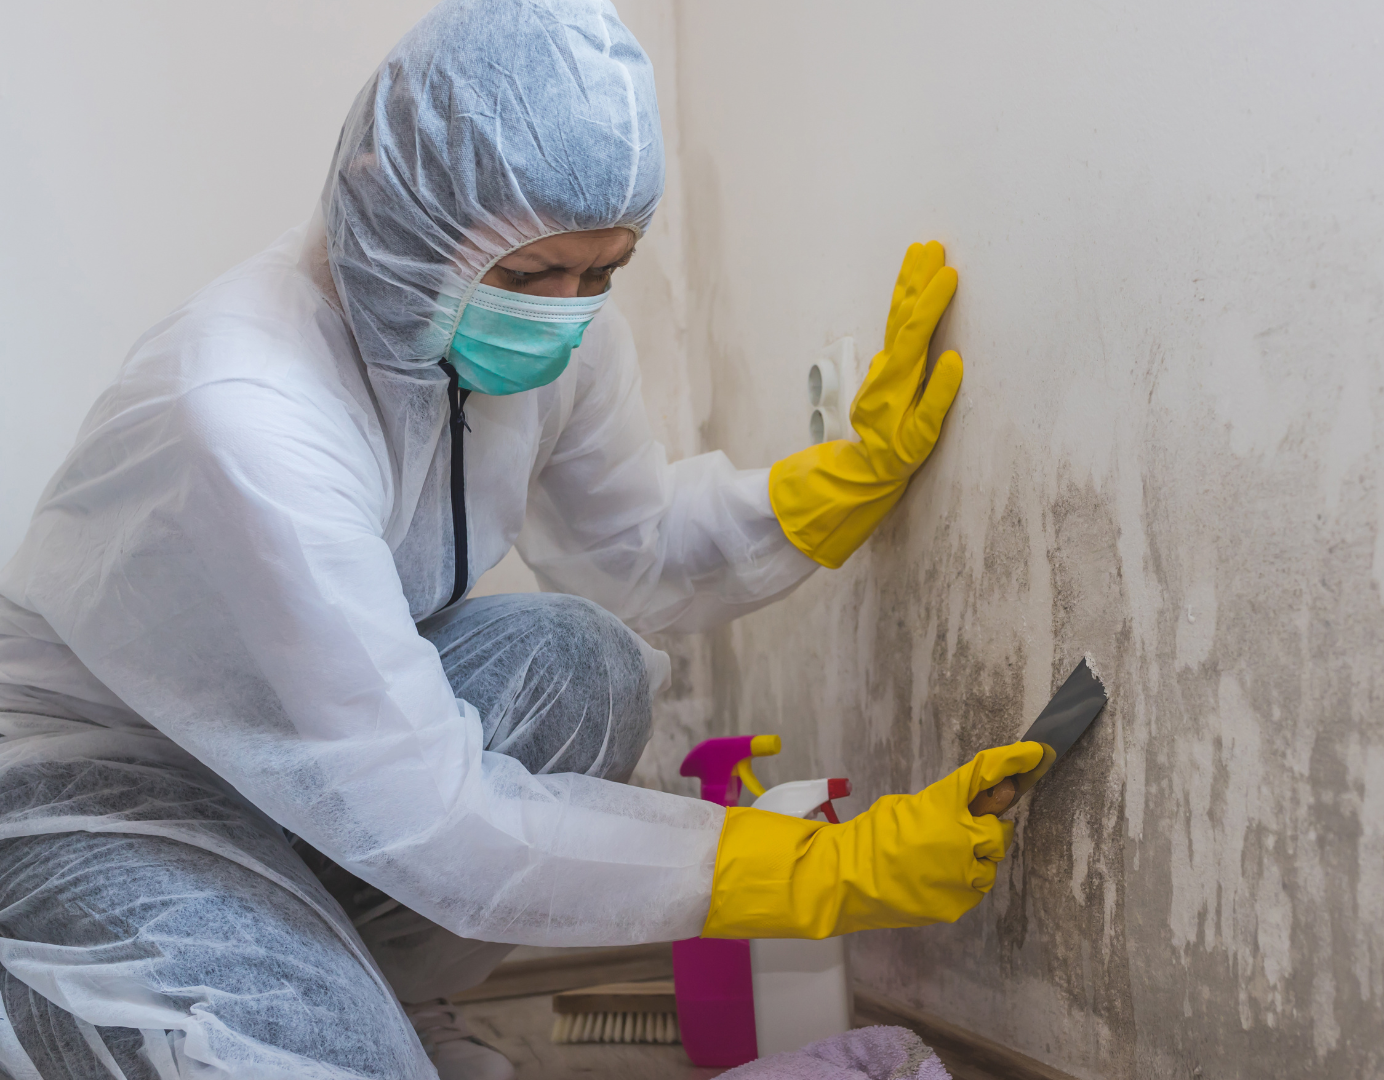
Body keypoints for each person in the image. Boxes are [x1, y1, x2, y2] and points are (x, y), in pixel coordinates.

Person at [0, 2, 1039, 1077]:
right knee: (320, 1057)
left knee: (577, 665)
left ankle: (379, 995)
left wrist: (834, 487)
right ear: (383, 203)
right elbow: (435, 815)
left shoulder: (553, 325)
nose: (567, 311)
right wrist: (820, 869)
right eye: (532, 278)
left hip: (314, 769)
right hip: (100, 781)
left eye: (605, 272)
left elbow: (631, 546)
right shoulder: (246, 409)